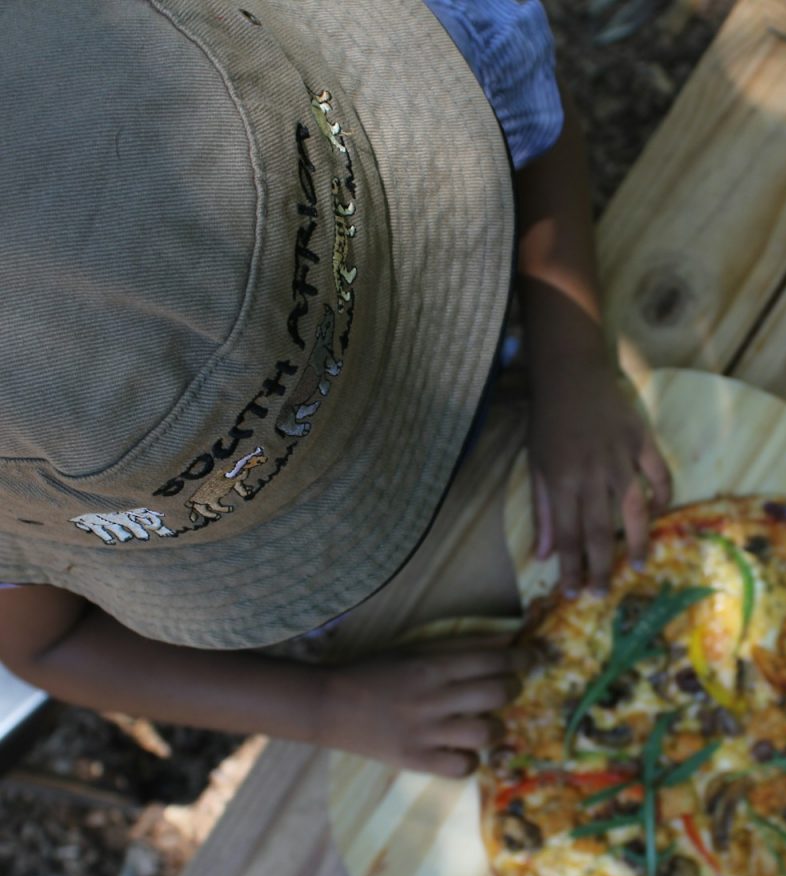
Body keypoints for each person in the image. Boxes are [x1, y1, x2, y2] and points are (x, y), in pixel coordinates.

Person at [0, 0, 670, 778]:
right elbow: (43, 644)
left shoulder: (429, 37)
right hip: (383, 609)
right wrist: (331, 705)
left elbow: (519, 94)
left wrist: (571, 362)